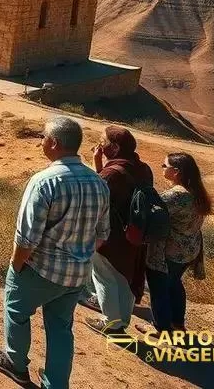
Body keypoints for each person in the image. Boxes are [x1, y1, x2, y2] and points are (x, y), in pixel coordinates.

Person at [0, 116, 110, 389]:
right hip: (76, 276)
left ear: (53, 143)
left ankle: (16, 364)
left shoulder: (44, 181)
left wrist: (16, 266)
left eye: (43, 137)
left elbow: (26, 237)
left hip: (40, 269)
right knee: (61, 328)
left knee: (16, 312)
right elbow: (102, 235)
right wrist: (78, 257)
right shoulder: (98, 182)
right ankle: (56, 384)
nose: (41, 141)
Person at [83, 126, 152, 336]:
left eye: (103, 141)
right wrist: (99, 164)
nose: (100, 144)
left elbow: (97, 196)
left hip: (111, 235)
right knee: (125, 276)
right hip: (134, 233)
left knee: (104, 275)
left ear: (114, 147)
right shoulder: (143, 168)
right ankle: (121, 320)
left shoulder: (112, 173)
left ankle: (110, 323)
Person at [146, 152, 211, 335]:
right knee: (174, 283)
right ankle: (177, 324)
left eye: (164, 166)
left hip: (172, 250)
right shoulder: (196, 191)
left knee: (159, 286)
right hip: (190, 249)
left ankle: (161, 328)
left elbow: (152, 210)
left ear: (176, 171)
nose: (162, 168)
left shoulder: (177, 195)